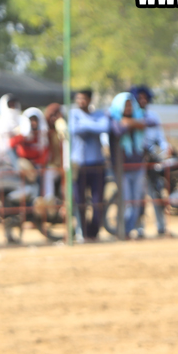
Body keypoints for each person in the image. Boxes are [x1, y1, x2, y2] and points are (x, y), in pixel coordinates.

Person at [69, 89, 110, 241]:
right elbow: (74, 129)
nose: (81, 102)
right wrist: (93, 125)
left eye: (84, 98)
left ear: (90, 100)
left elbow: (104, 127)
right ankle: (82, 231)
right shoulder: (73, 114)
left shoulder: (99, 114)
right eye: (78, 98)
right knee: (79, 200)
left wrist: (85, 124)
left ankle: (94, 232)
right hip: (78, 164)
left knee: (98, 200)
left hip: (97, 164)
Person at [129, 85, 169, 237]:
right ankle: (139, 228)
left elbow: (161, 138)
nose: (143, 100)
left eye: (145, 98)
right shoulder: (131, 116)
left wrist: (164, 150)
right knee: (138, 196)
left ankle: (161, 226)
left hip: (152, 160)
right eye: (140, 98)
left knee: (156, 193)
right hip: (136, 160)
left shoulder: (153, 116)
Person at [108, 92, 149, 239]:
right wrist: (134, 124)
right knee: (127, 201)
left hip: (138, 166)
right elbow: (119, 130)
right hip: (121, 169)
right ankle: (123, 231)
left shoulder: (138, 116)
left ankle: (130, 230)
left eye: (130, 105)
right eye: (125, 105)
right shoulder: (112, 119)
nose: (128, 108)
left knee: (137, 201)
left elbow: (148, 123)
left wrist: (129, 122)